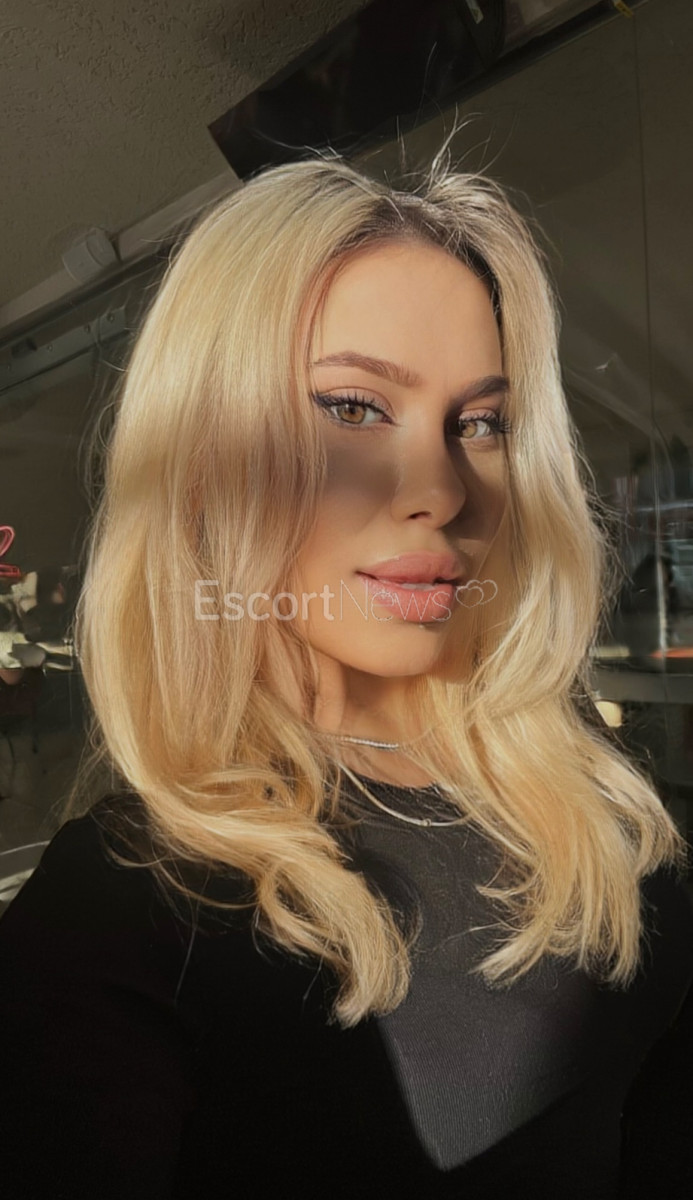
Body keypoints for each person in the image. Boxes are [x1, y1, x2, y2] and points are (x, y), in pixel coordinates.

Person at [0, 133, 692, 1200]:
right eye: (353, 408)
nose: (444, 492)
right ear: (205, 458)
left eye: (481, 422)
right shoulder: (131, 908)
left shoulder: (603, 803)